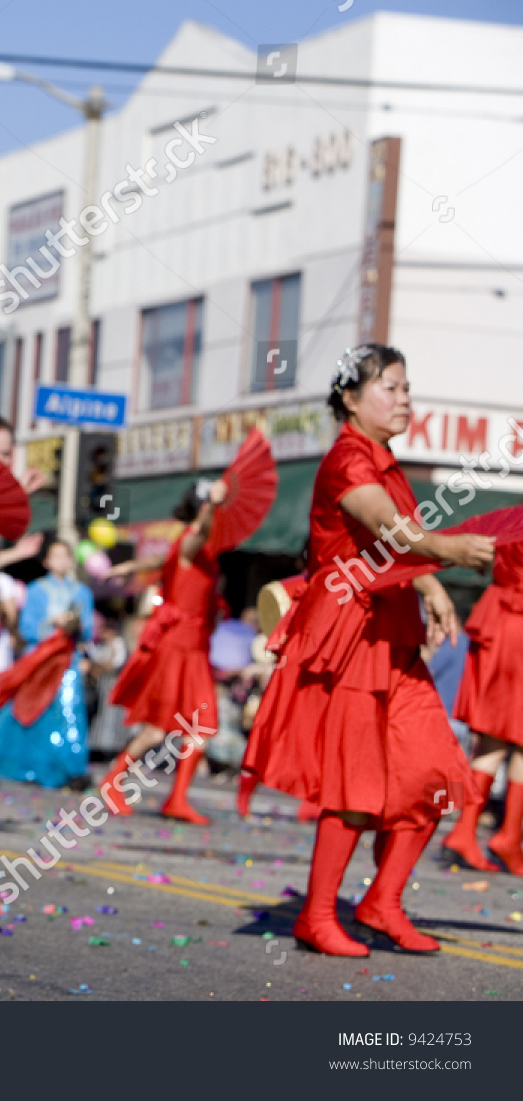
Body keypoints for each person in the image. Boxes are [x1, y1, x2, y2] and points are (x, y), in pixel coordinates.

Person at [242, 344, 493, 956]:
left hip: (394, 635)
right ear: (351, 399)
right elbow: (388, 526)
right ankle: (318, 916)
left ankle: (382, 902)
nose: (405, 397)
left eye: (408, 387)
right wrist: (452, 555)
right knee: (355, 789)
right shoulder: (348, 461)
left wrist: (431, 584)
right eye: (392, 386)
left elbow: (398, 548)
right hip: (352, 639)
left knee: (437, 778)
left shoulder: (388, 462)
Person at [101, 478, 230, 825]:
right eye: (207, 507)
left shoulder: (194, 548)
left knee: (200, 726)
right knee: (158, 729)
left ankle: (177, 798)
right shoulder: (193, 538)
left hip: (196, 647)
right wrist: (214, 506)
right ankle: (113, 781)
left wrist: (131, 567)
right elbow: (197, 535)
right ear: (200, 509)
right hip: (176, 646)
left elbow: (162, 558)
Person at [0, 539, 95, 789]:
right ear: (47, 561)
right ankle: (28, 767)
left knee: (68, 714)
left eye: (65, 556)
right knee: (28, 712)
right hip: (38, 660)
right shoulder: (36, 589)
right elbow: (27, 628)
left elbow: (88, 631)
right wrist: (52, 624)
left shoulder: (82, 592)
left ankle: (70, 771)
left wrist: (75, 626)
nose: (61, 561)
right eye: (56, 556)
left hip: (67, 663)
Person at [445, 543, 523, 874]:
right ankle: (508, 835)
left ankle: (465, 830)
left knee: (494, 736)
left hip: (498, 619)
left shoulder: (511, 522)